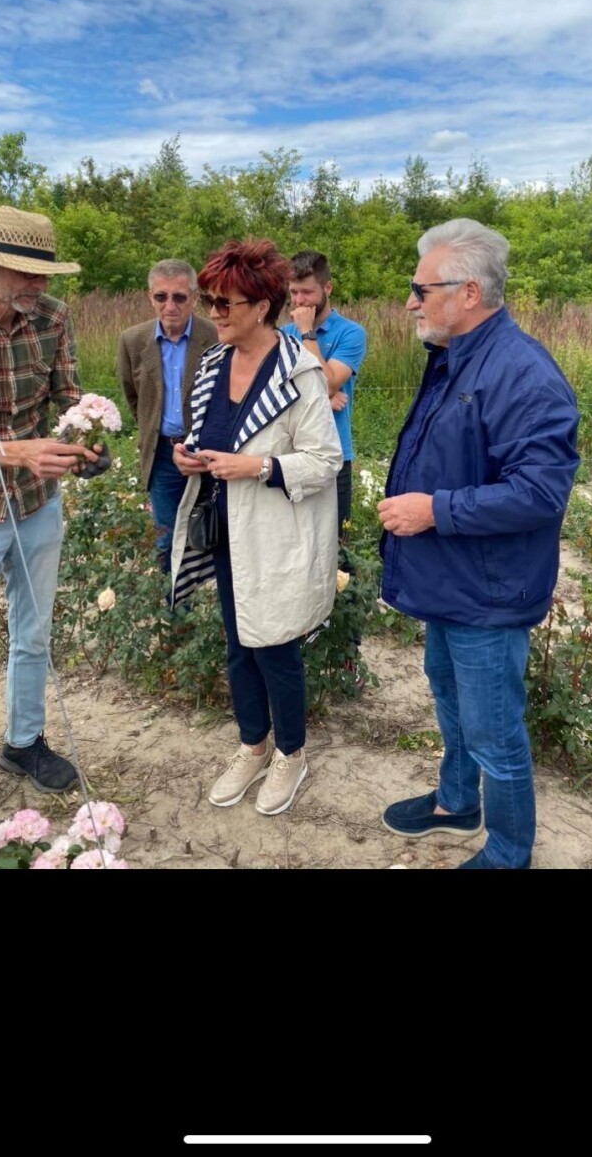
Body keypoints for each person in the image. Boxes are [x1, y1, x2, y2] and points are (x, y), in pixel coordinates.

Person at [377, 218, 580, 869]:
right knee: (447, 691)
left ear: (467, 292)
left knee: (494, 729)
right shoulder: (453, 356)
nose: (409, 301)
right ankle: (456, 800)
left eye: (419, 288)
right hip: (451, 579)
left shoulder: (521, 372)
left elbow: (540, 493)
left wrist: (434, 509)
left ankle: (507, 852)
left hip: (487, 592)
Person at [169, 239, 342, 816]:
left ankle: (291, 753)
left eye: (225, 303)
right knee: (239, 643)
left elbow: (325, 461)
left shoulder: (300, 372)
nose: (213, 312)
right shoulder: (214, 364)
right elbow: (205, 436)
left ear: (262, 307)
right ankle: (253, 743)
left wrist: (261, 467)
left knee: (275, 647)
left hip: (275, 535)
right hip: (224, 530)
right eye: (209, 300)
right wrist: (188, 456)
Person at [0, 205, 103, 821]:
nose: (39, 287)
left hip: (38, 506)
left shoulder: (53, 316)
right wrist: (8, 452)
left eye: (45, 275)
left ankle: (23, 743)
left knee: (34, 637)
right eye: (26, 274)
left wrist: (86, 438)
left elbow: (68, 395)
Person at [117, 261, 217, 574]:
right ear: (150, 297)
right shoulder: (133, 340)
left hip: (208, 450)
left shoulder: (214, 336)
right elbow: (133, 395)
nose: (170, 305)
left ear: (194, 298)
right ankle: (177, 616)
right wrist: (151, 429)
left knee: (214, 530)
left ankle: (214, 606)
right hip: (162, 453)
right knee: (167, 537)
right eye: (161, 297)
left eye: (179, 297)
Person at [283, 250, 367, 540]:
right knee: (295, 541)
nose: (299, 301)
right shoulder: (282, 334)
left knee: (335, 545)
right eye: (294, 292)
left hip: (334, 453)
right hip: (290, 452)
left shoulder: (351, 334)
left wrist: (307, 333)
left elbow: (328, 384)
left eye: (307, 292)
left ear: (327, 288)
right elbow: (274, 390)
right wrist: (323, 399)